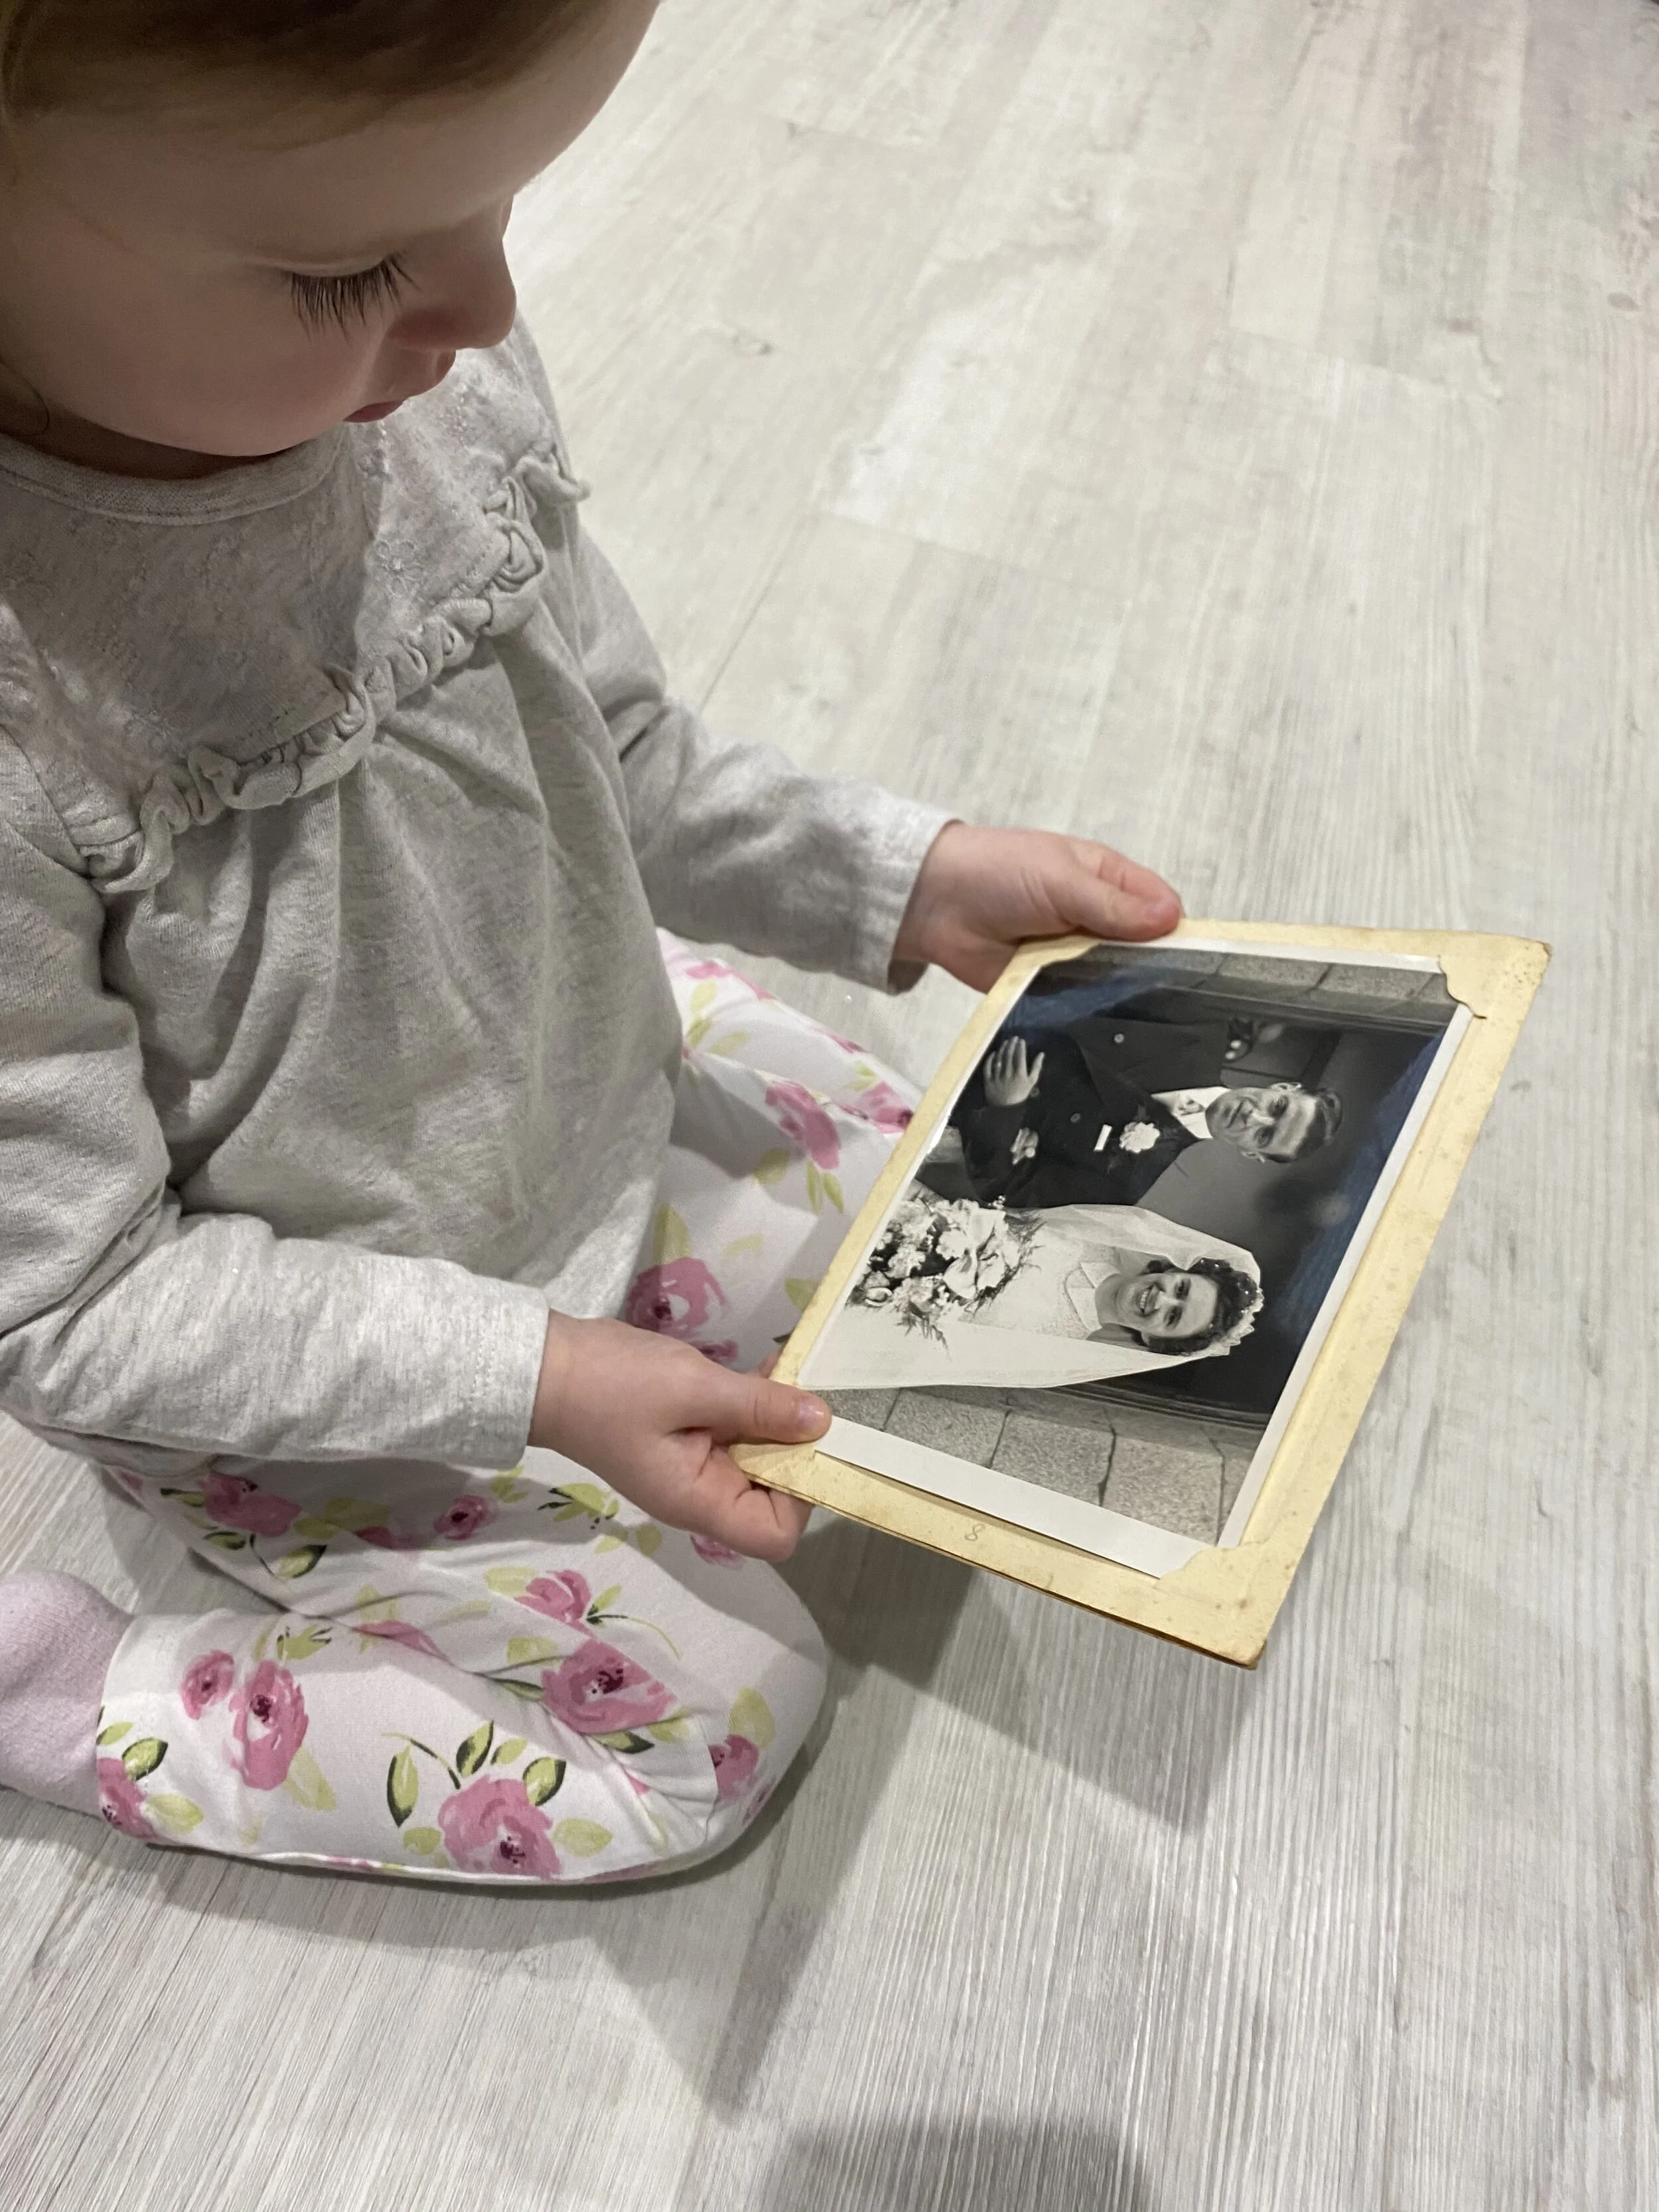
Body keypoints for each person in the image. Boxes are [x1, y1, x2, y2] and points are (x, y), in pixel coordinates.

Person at [0, 0, 1184, 1885]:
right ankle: (94, 1693)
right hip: (314, 1374)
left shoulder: (424, 380)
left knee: (983, 1255)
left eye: (504, 201)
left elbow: (616, 752)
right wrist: (536, 1376)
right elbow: (78, 1301)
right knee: (710, 1733)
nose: (480, 305)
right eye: (356, 262)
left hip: (582, 1089)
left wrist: (895, 874)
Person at [810, 1201, 1262, 1392]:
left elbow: (931, 1351)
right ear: (1174, 1268)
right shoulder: (1094, 1238)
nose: (1161, 1300)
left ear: (1155, 1343)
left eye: (1172, 1318)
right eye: (1180, 1288)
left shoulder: (1058, 1346)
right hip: (893, 1229)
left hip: (874, 1302)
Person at [940, 1029, 1341, 1210]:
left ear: (1252, 1154)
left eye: (1265, 1135)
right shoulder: (1196, 1032)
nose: (1253, 1115)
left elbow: (1004, 1191)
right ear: (1284, 1087)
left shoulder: (1128, 1181)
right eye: (1276, 1108)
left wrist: (1005, 1110)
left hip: (939, 1102)